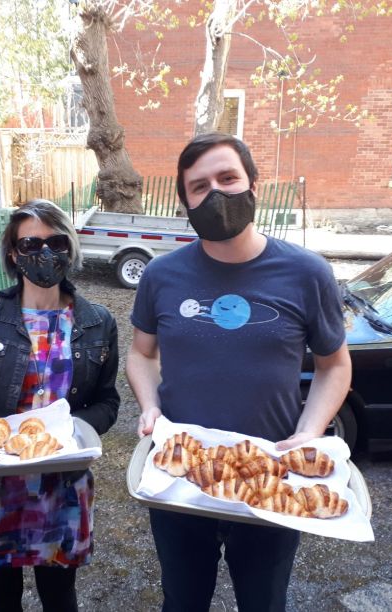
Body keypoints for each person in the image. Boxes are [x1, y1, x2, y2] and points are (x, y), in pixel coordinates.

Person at [125, 133, 352, 612]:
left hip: (269, 474)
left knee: (263, 602)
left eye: (227, 178)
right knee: (183, 602)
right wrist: (150, 406)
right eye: (199, 186)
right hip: (182, 477)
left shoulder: (307, 273)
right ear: (186, 202)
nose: (216, 194)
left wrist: (310, 431)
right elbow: (141, 354)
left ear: (253, 185)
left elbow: (334, 364)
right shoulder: (161, 275)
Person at [0, 199, 120, 612]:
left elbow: (108, 402)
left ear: (69, 248)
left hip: (61, 489)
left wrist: (67, 432)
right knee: (2, 602)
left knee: (60, 599)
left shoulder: (98, 322)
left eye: (56, 242)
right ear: (12, 253)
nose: (44, 253)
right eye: (29, 244)